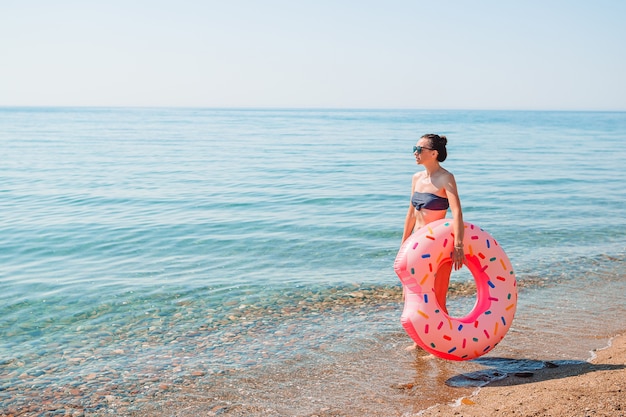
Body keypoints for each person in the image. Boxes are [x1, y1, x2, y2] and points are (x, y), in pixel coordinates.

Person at [401, 134, 464, 314]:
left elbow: (457, 212)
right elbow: (411, 213)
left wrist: (458, 245)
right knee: (414, 294)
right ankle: (418, 341)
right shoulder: (416, 178)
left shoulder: (446, 178)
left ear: (434, 153)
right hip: (416, 245)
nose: (415, 153)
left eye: (419, 149)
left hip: (438, 245)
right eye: (414, 149)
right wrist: (403, 243)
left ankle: (444, 341)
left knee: (438, 295)